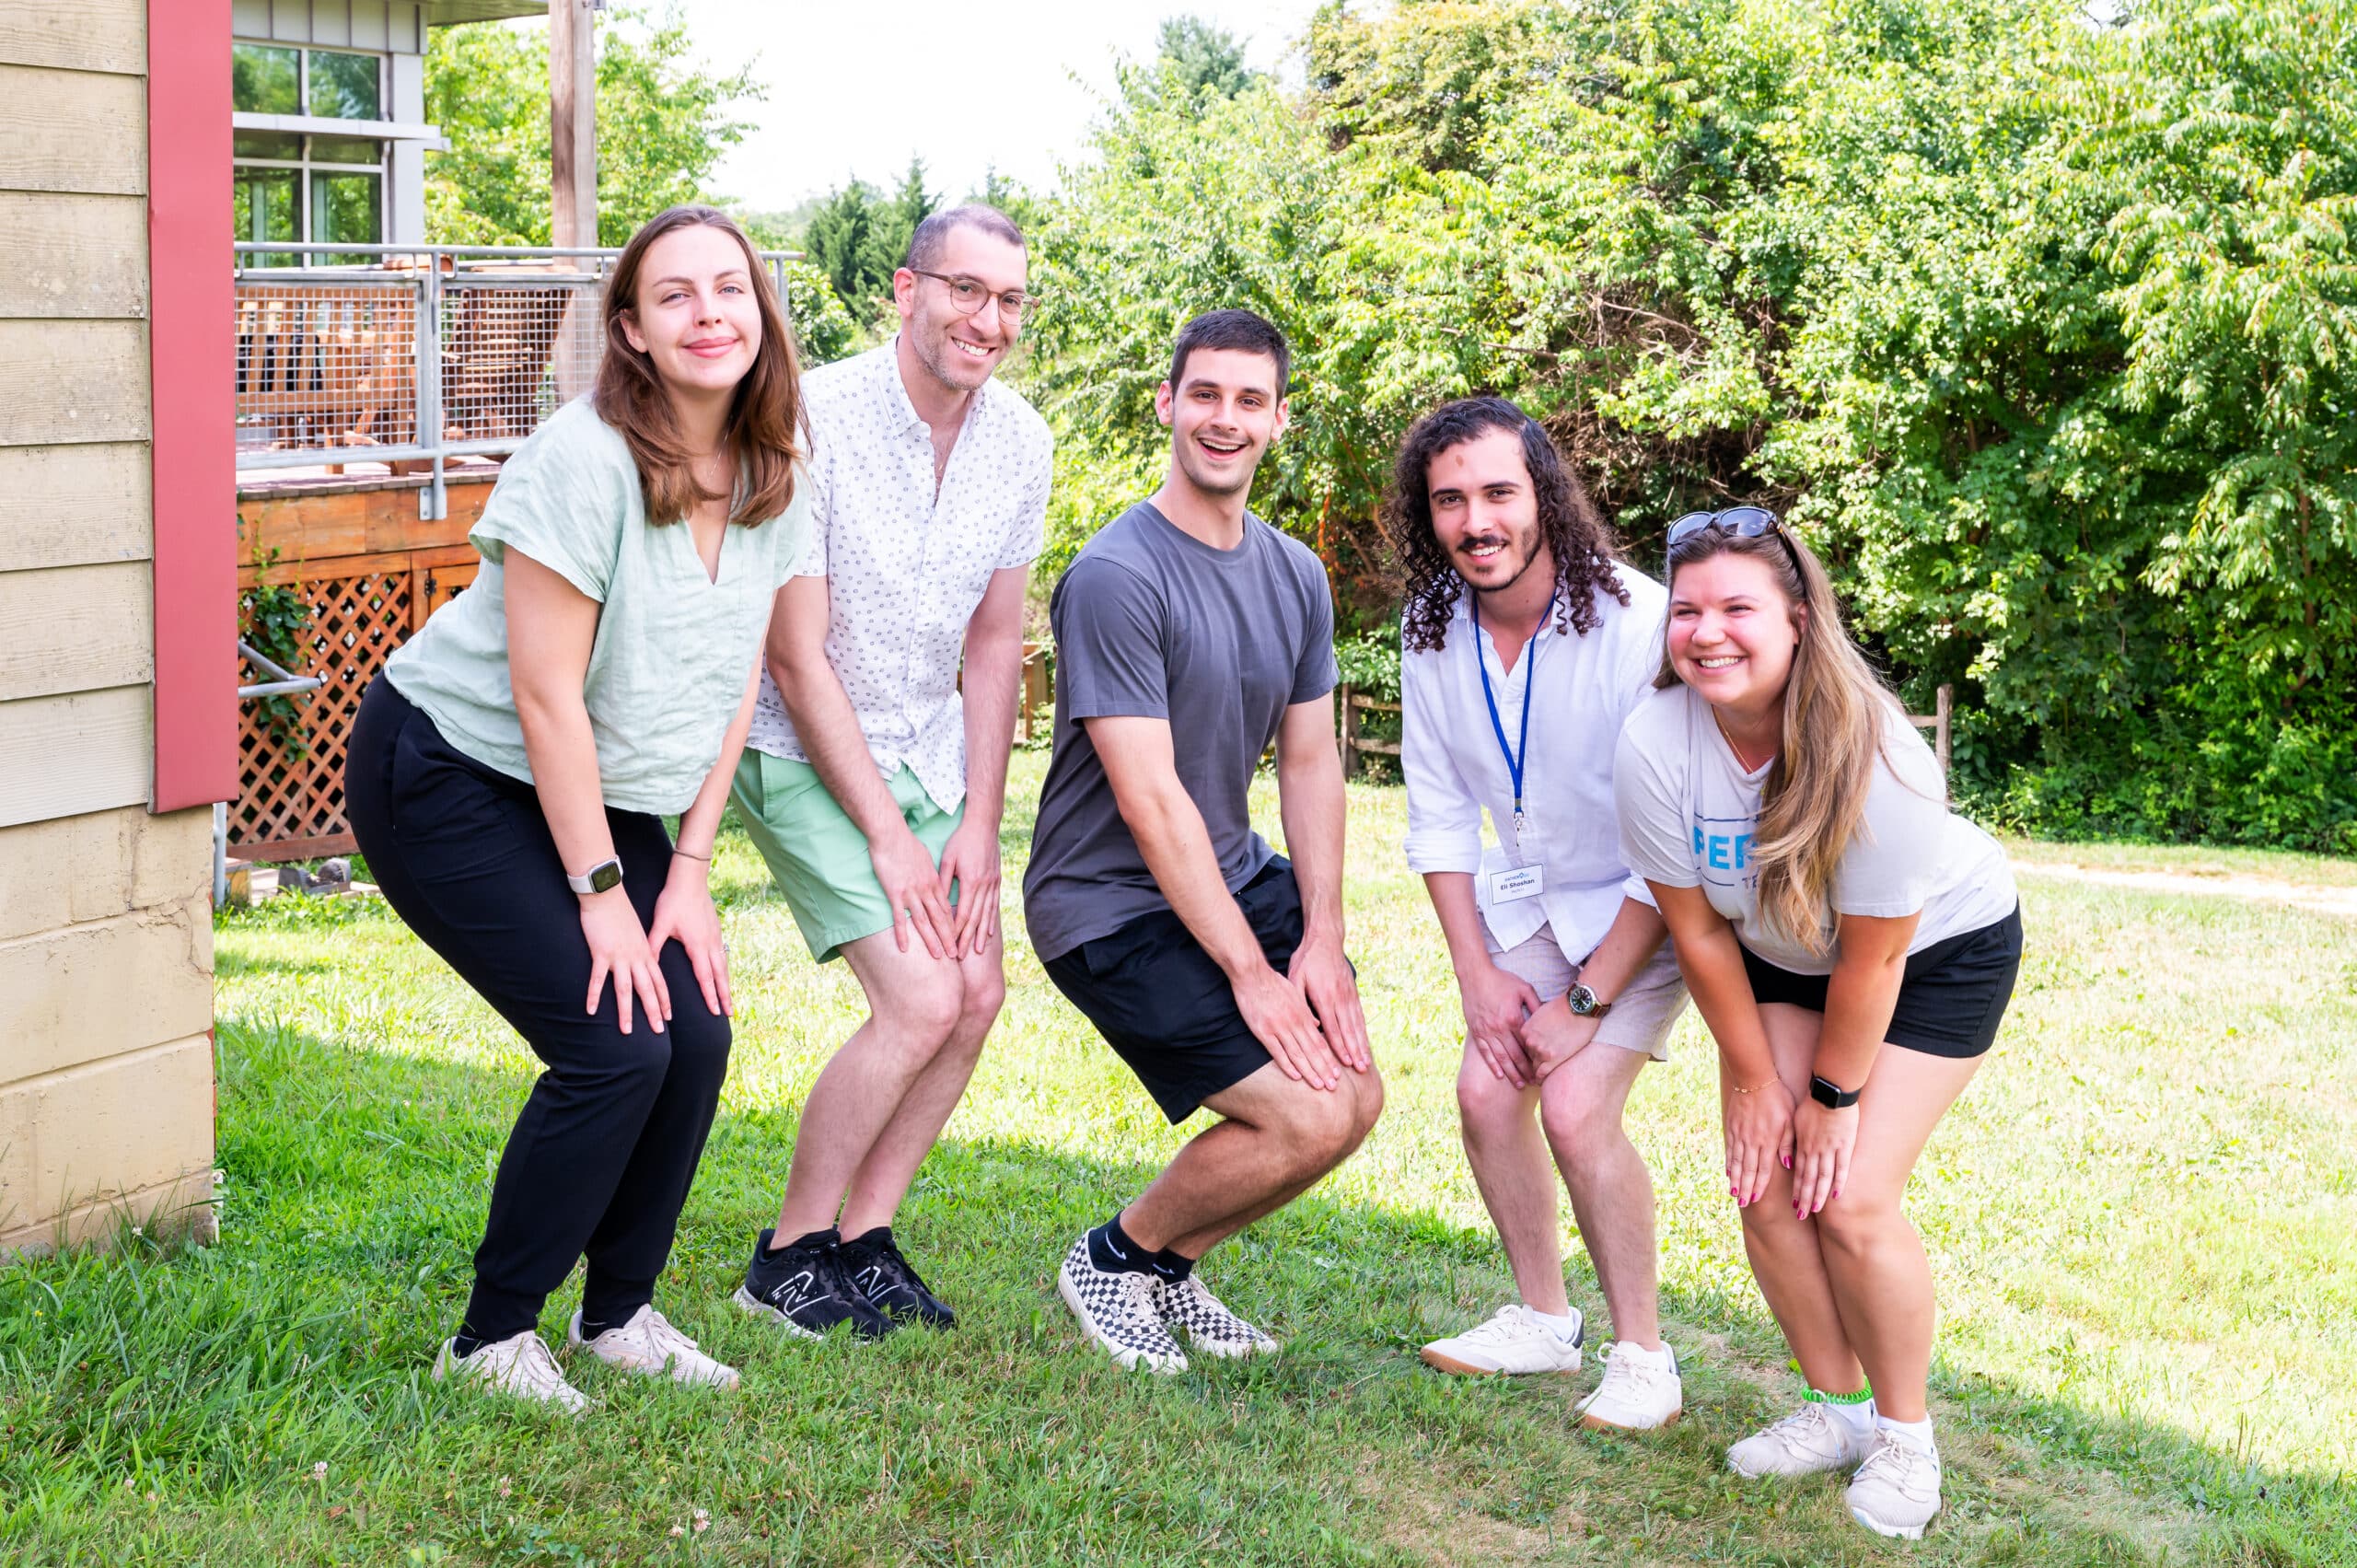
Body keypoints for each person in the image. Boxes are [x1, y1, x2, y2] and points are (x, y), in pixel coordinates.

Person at [343, 205, 815, 1410]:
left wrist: (690, 873)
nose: (711, 312)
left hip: (606, 793)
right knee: (613, 1040)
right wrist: (606, 896)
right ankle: (493, 1334)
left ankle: (619, 1312)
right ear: (633, 331)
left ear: (760, 312)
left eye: (730, 288)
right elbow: (544, 695)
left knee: (694, 1027)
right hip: (452, 767)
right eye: (676, 296)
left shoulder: (773, 470)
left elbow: (737, 676)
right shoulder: (583, 456)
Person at [1613, 507, 2022, 1539]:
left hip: (1929, 956)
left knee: (1847, 1196)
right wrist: (1755, 1082)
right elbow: (1698, 933)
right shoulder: (1655, 740)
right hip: (1775, 950)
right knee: (1764, 1183)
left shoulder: (1879, 756)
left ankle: (1904, 1436)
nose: (1708, 632)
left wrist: (1831, 1099)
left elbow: (1876, 955)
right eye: (1688, 610)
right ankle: (1835, 1411)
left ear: (1797, 618)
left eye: (1738, 607)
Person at [1025, 308, 1382, 1374]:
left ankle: (1166, 1273)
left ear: (1279, 418)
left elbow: (1312, 762)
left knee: (1354, 1095)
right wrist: (1251, 976)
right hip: (1110, 903)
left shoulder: (1295, 574)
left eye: (1250, 399)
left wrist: (1319, 935)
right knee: (1303, 1114)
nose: (1225, 419)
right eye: (1206, 395)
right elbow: (1150, 800)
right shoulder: (1116, 575)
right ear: (1168, 404)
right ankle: (1112, 1255)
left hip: (1230, 874)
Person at [729, 205, 1048, 1340]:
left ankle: (863, 1238)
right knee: (917, 995)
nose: (988, 318)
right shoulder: (810, 420)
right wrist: (888, 833)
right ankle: (784, 1255)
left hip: (927, 743)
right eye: (966, 290)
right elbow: (792, 649)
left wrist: (973, 823)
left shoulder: (1023, 441)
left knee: (976, 995)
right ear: (906, 291)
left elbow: (998, 642)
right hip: (797, 738)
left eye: (1009, 298)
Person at [1386, 398, 1691, 1428]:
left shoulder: (1636, 622)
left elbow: (1678, 839)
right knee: (1486, 1090)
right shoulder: (1429, 634)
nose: (1477, 520)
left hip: (1655, 901)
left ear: (1543, 495)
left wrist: (1587, 998)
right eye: (1450, 500)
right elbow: (1436, 823)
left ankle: (1642, 1353)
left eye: (1498, 493)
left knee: (1570, 1104)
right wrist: (1480, 976)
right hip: (1529, 903)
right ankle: (1541, 1318)